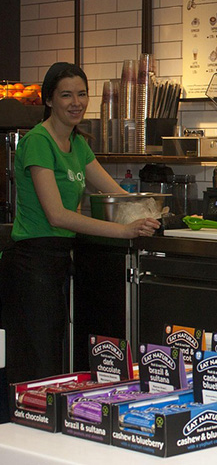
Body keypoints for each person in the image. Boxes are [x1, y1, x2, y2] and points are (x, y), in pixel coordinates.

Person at [0, 62, 160, 383]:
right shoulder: (38, 141)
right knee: (36, 369)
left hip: (57, 262)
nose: (76, 103)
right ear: (49, 100)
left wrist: (154, 212)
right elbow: (57, 215)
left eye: (82, 94)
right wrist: (123, 230)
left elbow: (115, 193)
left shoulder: (78, 143)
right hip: (30, 266)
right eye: (66, 95)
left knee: (52, 367)